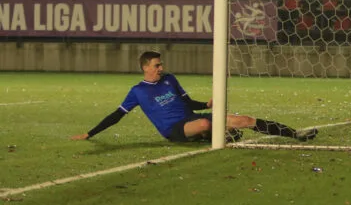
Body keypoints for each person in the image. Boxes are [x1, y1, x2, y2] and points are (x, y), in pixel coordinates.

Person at [70, 51, 317, 143]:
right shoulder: (138, 91)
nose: (160, 67)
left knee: (242, 119)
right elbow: (116, 116)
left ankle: (295, 134)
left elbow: (187, 103)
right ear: (145, 67)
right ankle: (214, 136)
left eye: (161, 64)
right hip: (174, 129)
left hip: (192, 117)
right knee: (205, 124)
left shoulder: (170, 79)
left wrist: (206, 104)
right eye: (156, 65)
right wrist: (90, 134)